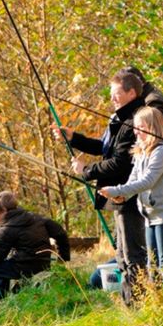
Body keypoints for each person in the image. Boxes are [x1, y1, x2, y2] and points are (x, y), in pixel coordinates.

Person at [51, 69, 147, 305]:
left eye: (116, 95)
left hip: (128, 196)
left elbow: (120, 163)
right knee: (122, 254)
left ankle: (137, 304)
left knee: (131, 254)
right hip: (116, 197)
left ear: (131, 93)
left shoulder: (134, 121)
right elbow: (104, 148)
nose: (111, 100)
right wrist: (74, 138)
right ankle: (129, 301)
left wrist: (87, 170)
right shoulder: (117, 119)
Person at [99, 107, 163, 287]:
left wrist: (115, 190)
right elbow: (134, 179)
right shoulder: (141, 152)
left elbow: (148, 181)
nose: (136, 131)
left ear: (152, 127)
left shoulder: (162, 152)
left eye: (141, 127)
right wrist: (123, 195)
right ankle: (157, 302)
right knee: (152, 264)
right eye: (135, 127)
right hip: (150, 216)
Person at [0, 191, 70, 303]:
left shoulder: (5, 230)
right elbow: (61, 235)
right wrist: (62, 259)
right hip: (43, 264)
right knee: (1, 266)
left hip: (24, 268)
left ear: (4, 211)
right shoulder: (37, 218)